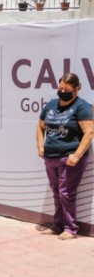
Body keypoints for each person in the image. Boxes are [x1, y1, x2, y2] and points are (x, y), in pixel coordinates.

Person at [35, 72, 93, 240]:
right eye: (60, 88)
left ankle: (70, 228)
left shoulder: (81, 106)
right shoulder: (51, 105)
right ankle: (58, 225)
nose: (62, 91)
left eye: (67, 89)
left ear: (76, 89)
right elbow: (40, 127)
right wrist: (40, 146)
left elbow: (89, 132)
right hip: (50, 157)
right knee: (56, 192)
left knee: (66, 193)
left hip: (69, 158)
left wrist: (77, 155)